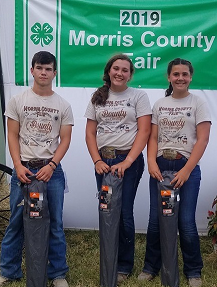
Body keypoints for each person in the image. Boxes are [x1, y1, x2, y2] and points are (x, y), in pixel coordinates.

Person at [0, 51, 74, 287]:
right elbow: (11, 135)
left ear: (54, 73)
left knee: (55, 222)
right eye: (39, 68)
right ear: (32, 70)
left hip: (51, 173)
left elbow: (65, 140)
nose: (44, 72)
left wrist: (52, 165)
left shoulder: (63, 105)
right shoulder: (18, 101)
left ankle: (57, 273)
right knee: (16, 221)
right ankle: (8, 270)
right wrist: (18, 165)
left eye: (48, 68)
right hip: (23, 171)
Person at [138, 58, 211, 287]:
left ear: (191, 77)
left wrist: (187, 171)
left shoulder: (198, 103)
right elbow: (152, 137)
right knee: (155, 220)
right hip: (161, 168)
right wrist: (151, 162)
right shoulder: (160, 104)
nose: (180, 78)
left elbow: (203, 139)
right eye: (176, 74)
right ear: (169, 77)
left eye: (185, 74)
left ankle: (193, 270)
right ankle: (151, 266)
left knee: (186, 222)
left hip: (186, 169)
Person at [85, 53, 152, 283]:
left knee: (123, 213)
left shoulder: (138, 96)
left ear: (130, 74)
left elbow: (144, 132)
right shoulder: (97, 96)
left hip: (128, 163)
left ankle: (123, 265)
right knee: (106, 211)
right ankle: (109, 259)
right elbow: (90, 133)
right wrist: (97, 161)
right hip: (103, 163)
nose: (119, 73)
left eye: (125, 70)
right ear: (109, 70)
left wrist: (128, 161)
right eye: (116, 68)